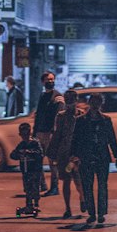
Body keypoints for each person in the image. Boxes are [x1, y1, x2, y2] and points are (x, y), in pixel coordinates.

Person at [71, 91, 117, 227]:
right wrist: (73, 155)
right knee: (88, 186)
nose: (95, 104)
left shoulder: (106, 120)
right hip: (86, 157)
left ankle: (101, 213)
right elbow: (75, 139)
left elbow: (112, 138)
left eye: (98, 102)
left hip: (102, 156)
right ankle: (92, 213)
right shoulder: (81, 121)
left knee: (102, 186)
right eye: (93, 101)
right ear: (89, 103)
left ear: (101, 103)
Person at [46, 87, 84, 218]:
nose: (69, 102)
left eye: (72, 99)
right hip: (64, 153)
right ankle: (68, 208)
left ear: (76, 100)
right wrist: (52, 152)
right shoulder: (61, 116)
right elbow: (57, 135)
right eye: (67, 100)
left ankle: (82, 198)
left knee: (79, 180)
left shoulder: (81, 115)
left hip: (78, 153)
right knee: (66, 181)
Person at [32, 71, 65, 194]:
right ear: (43, 82)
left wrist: (55, 133)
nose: (50, 81)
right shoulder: (42, 96)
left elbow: (59, 116)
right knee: (37, 159)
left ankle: (54, 187)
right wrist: (34, 132)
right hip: (40, 133)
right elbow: (38, 115)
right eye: (48, 79)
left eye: (52, 79)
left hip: (50, 133)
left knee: (52, 162)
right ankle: (42, 185)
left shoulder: (57, 96)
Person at [11, 123, 44, 217]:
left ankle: (36, 203)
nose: (24, 137)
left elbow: (40, 154)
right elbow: (13, 155)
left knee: (35, 187)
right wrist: (19, 154)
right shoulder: (21, 145)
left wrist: (30, 153)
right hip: (25, 170)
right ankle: (29, 204)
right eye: (22, 135)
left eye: (26, 134)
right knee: (27, 187)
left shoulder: (35, 143)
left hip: (35, 169)